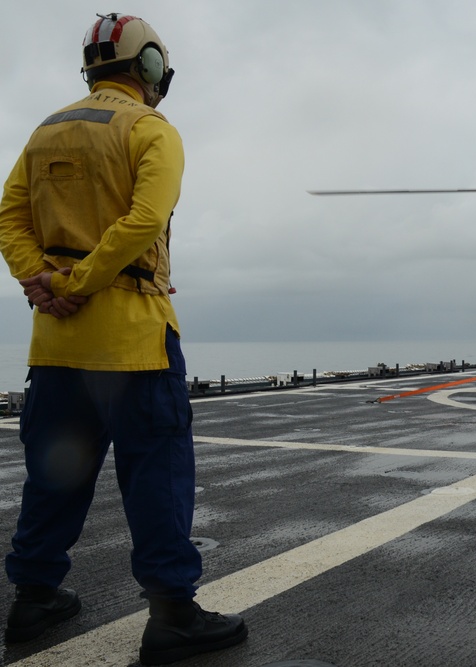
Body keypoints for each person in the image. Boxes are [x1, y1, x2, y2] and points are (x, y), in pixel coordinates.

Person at [0, 13, 247, 664]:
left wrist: (40, 279)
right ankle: (171, 613)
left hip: (56, 345)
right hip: (135, 339)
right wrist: (85, 277)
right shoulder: (150, 129)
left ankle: (33, 596)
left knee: (54, 474)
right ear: (149, 67)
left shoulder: (44, 131)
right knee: (156, 472)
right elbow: (145, 219)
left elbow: (10, 216)